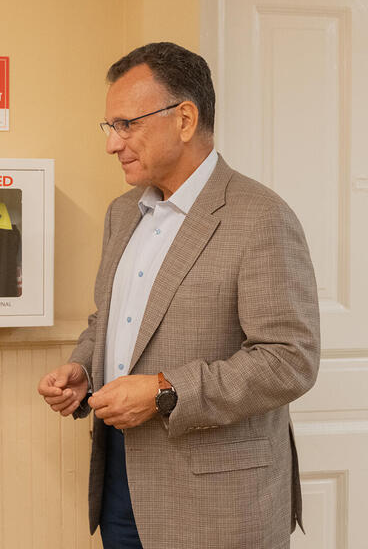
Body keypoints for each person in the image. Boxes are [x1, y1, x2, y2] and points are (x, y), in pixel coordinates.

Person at [37, 42, 320, 548]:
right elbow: (109, 321)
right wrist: (83, 369)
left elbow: (289, 360)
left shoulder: (261, 217)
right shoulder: (122, 213)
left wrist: (166, 391)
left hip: (220, 503)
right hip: (120, 486)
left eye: (127, 124)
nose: (113, 143)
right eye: (110, 127)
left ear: (185, 119)